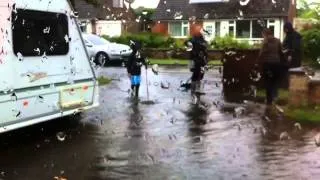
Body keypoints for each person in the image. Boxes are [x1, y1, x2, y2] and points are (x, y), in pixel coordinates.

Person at [257, 28, 284, 105]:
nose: (263, 36)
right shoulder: (278, 41)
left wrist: (258, 62)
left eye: (263, 35)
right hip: (276, 63)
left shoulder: (265, 42)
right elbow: (281, 52)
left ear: (265, 34)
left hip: (267, 64)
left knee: (268, 81)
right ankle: (275, 96)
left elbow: (261, 53)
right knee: (274, 81)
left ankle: (269, 100)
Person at [185, 27, 209, 103]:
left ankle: (197, 89)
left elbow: (205, 52)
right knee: (196, 75)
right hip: (194, 60)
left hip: (200, 61)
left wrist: (206, 61)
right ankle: (193, 91)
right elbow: (187, 44)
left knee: (200, 75)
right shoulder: (193, 40)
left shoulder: (203, 41)